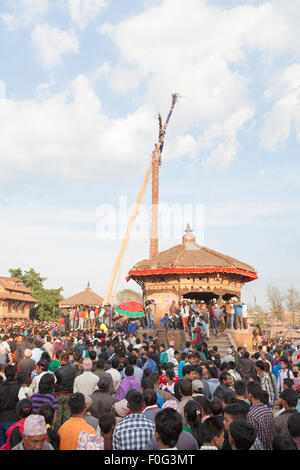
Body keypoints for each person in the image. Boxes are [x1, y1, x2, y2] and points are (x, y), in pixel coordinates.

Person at [247, 381, 273, 449]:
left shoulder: (251, 414)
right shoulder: (268, 411)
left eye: (246, 392)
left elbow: (253, 438)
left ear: (250, 395)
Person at [0, 365, 20, 448]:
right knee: (12, 446)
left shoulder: (1, 388)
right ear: (15, 374)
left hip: (2, 420)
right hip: (14, 420)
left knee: (2, 446)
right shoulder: (19, 388)